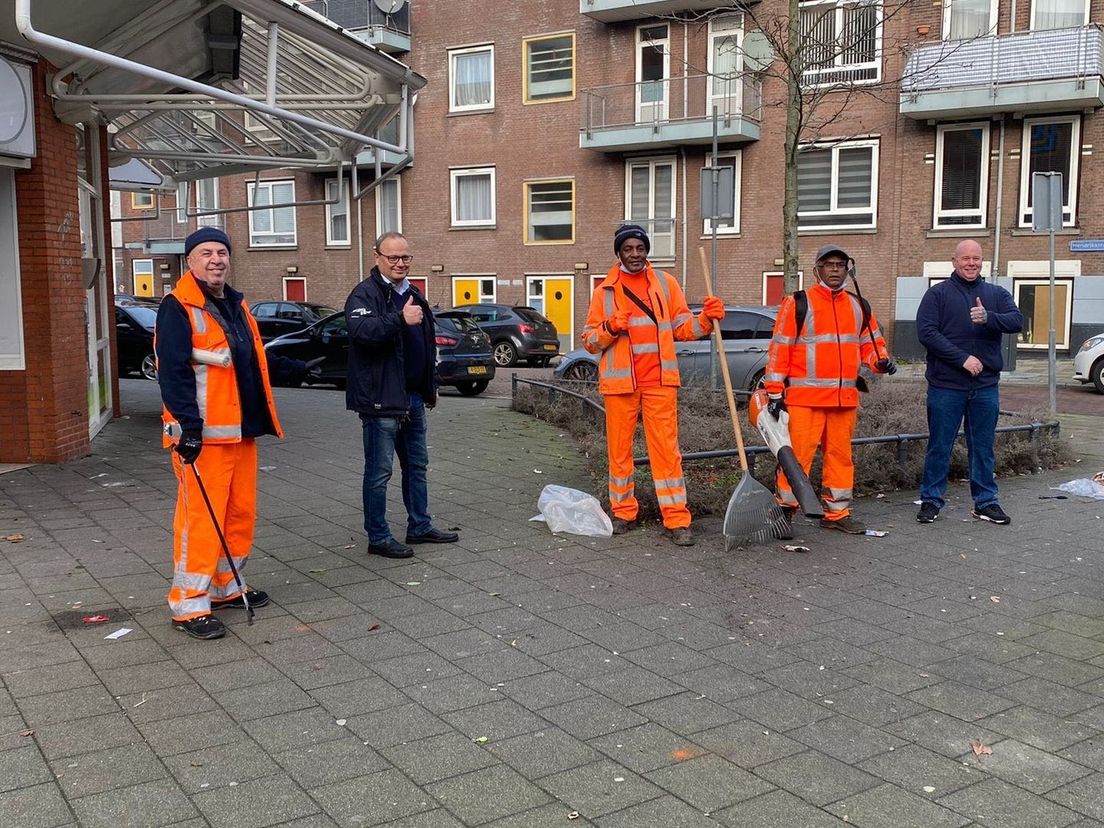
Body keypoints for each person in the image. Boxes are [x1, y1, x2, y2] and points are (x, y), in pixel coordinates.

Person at [156, 227, 311, 640]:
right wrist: (187, 427)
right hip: (202, 437)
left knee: (239, 514)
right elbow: (172, 373)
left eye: (222, 252)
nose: (216, 259)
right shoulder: (177, 307)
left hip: (240, 432)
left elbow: (246, 362)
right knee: (201, 521)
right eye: (205, 253)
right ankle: (189, 604)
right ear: (189, 261)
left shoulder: (235, 305)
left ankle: (226, 586)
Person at [582, 223, 725, 547]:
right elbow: (589, 341)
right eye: (628, 249)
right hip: (620, 386)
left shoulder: (665, 283)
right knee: (619, 454)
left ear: (647, 250)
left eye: (640, 248)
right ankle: (623, 512)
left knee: (667, 452)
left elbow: (682, 327)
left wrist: (705, 319)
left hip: (660, 381)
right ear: (619, 253)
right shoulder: (604, 290)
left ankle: (676, 519)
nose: (635, 254)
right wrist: (608, 327)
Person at [763, 244, 895, 535]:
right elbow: (779, 349)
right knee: (796, 459)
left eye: (840, 265)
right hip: (804, 400)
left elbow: (871, 346)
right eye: (828, 264)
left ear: (848, 269)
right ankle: (784, 513)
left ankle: (837, 513)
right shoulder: (798, 302)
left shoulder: (859, 305)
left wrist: (880, 363)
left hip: (843, 401)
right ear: (816, 270)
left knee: (840, 458)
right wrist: (773, 392)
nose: (835, 270)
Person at [345, 232, 458, 559]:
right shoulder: (363, 295)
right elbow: (362, 334)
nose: (400, 263)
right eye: (393, 257)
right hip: (381, 400)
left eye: (405, 257)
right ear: (377, 256)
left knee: (417, 465)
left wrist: (429, 388)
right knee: (379, 471)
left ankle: (419, 525)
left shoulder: (413, 294)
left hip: (411, 397)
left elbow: (424, 344)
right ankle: (378, 536)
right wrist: (399, 318)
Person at [916, 240, 1024, 525]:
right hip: (946, 385)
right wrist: (962, 358)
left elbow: (1017, 321)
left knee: (983, 447)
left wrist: (989, 317)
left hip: (985, 386)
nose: (971, 263)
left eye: (976, 258)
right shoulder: (937, 295)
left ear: (982, 262)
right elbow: (926, 332)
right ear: (954, 261)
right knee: (940, 445)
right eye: (966, 258)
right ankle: (931, 500)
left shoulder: (996, 294)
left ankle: (986, 502)